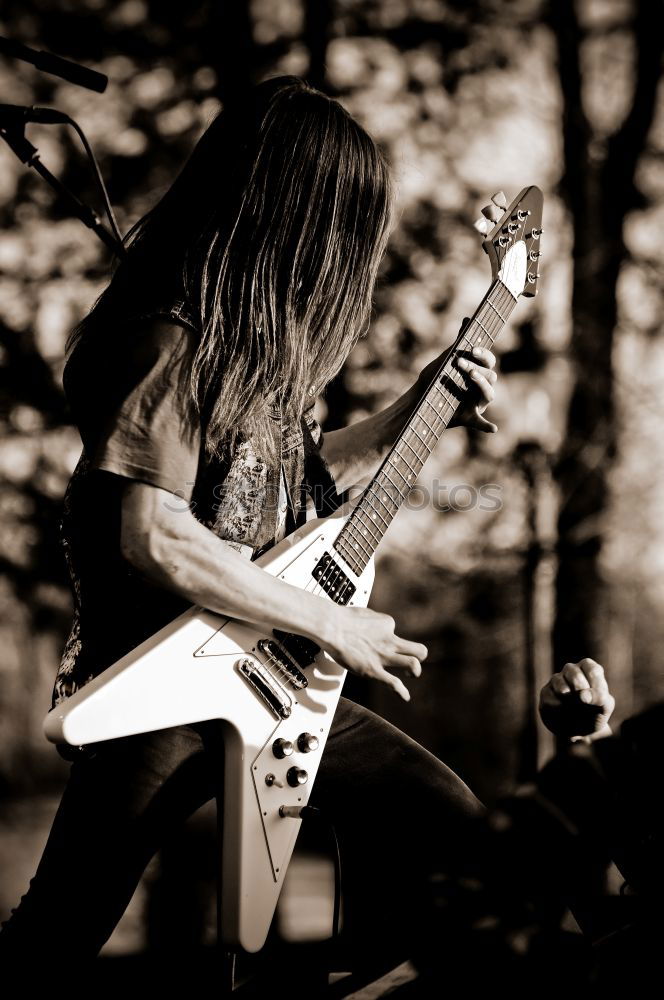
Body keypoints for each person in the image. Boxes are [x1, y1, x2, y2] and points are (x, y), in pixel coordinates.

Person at [0, 75, 505, 971]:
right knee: (57, 936)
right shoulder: (169, 337)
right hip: (164, 684)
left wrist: (418, 406)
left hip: (270, 677)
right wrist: (330, 621)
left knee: (458, 834)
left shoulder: (255, 357)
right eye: (344, 228)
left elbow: (303, 481)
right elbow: (152, 532)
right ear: (298, 217)